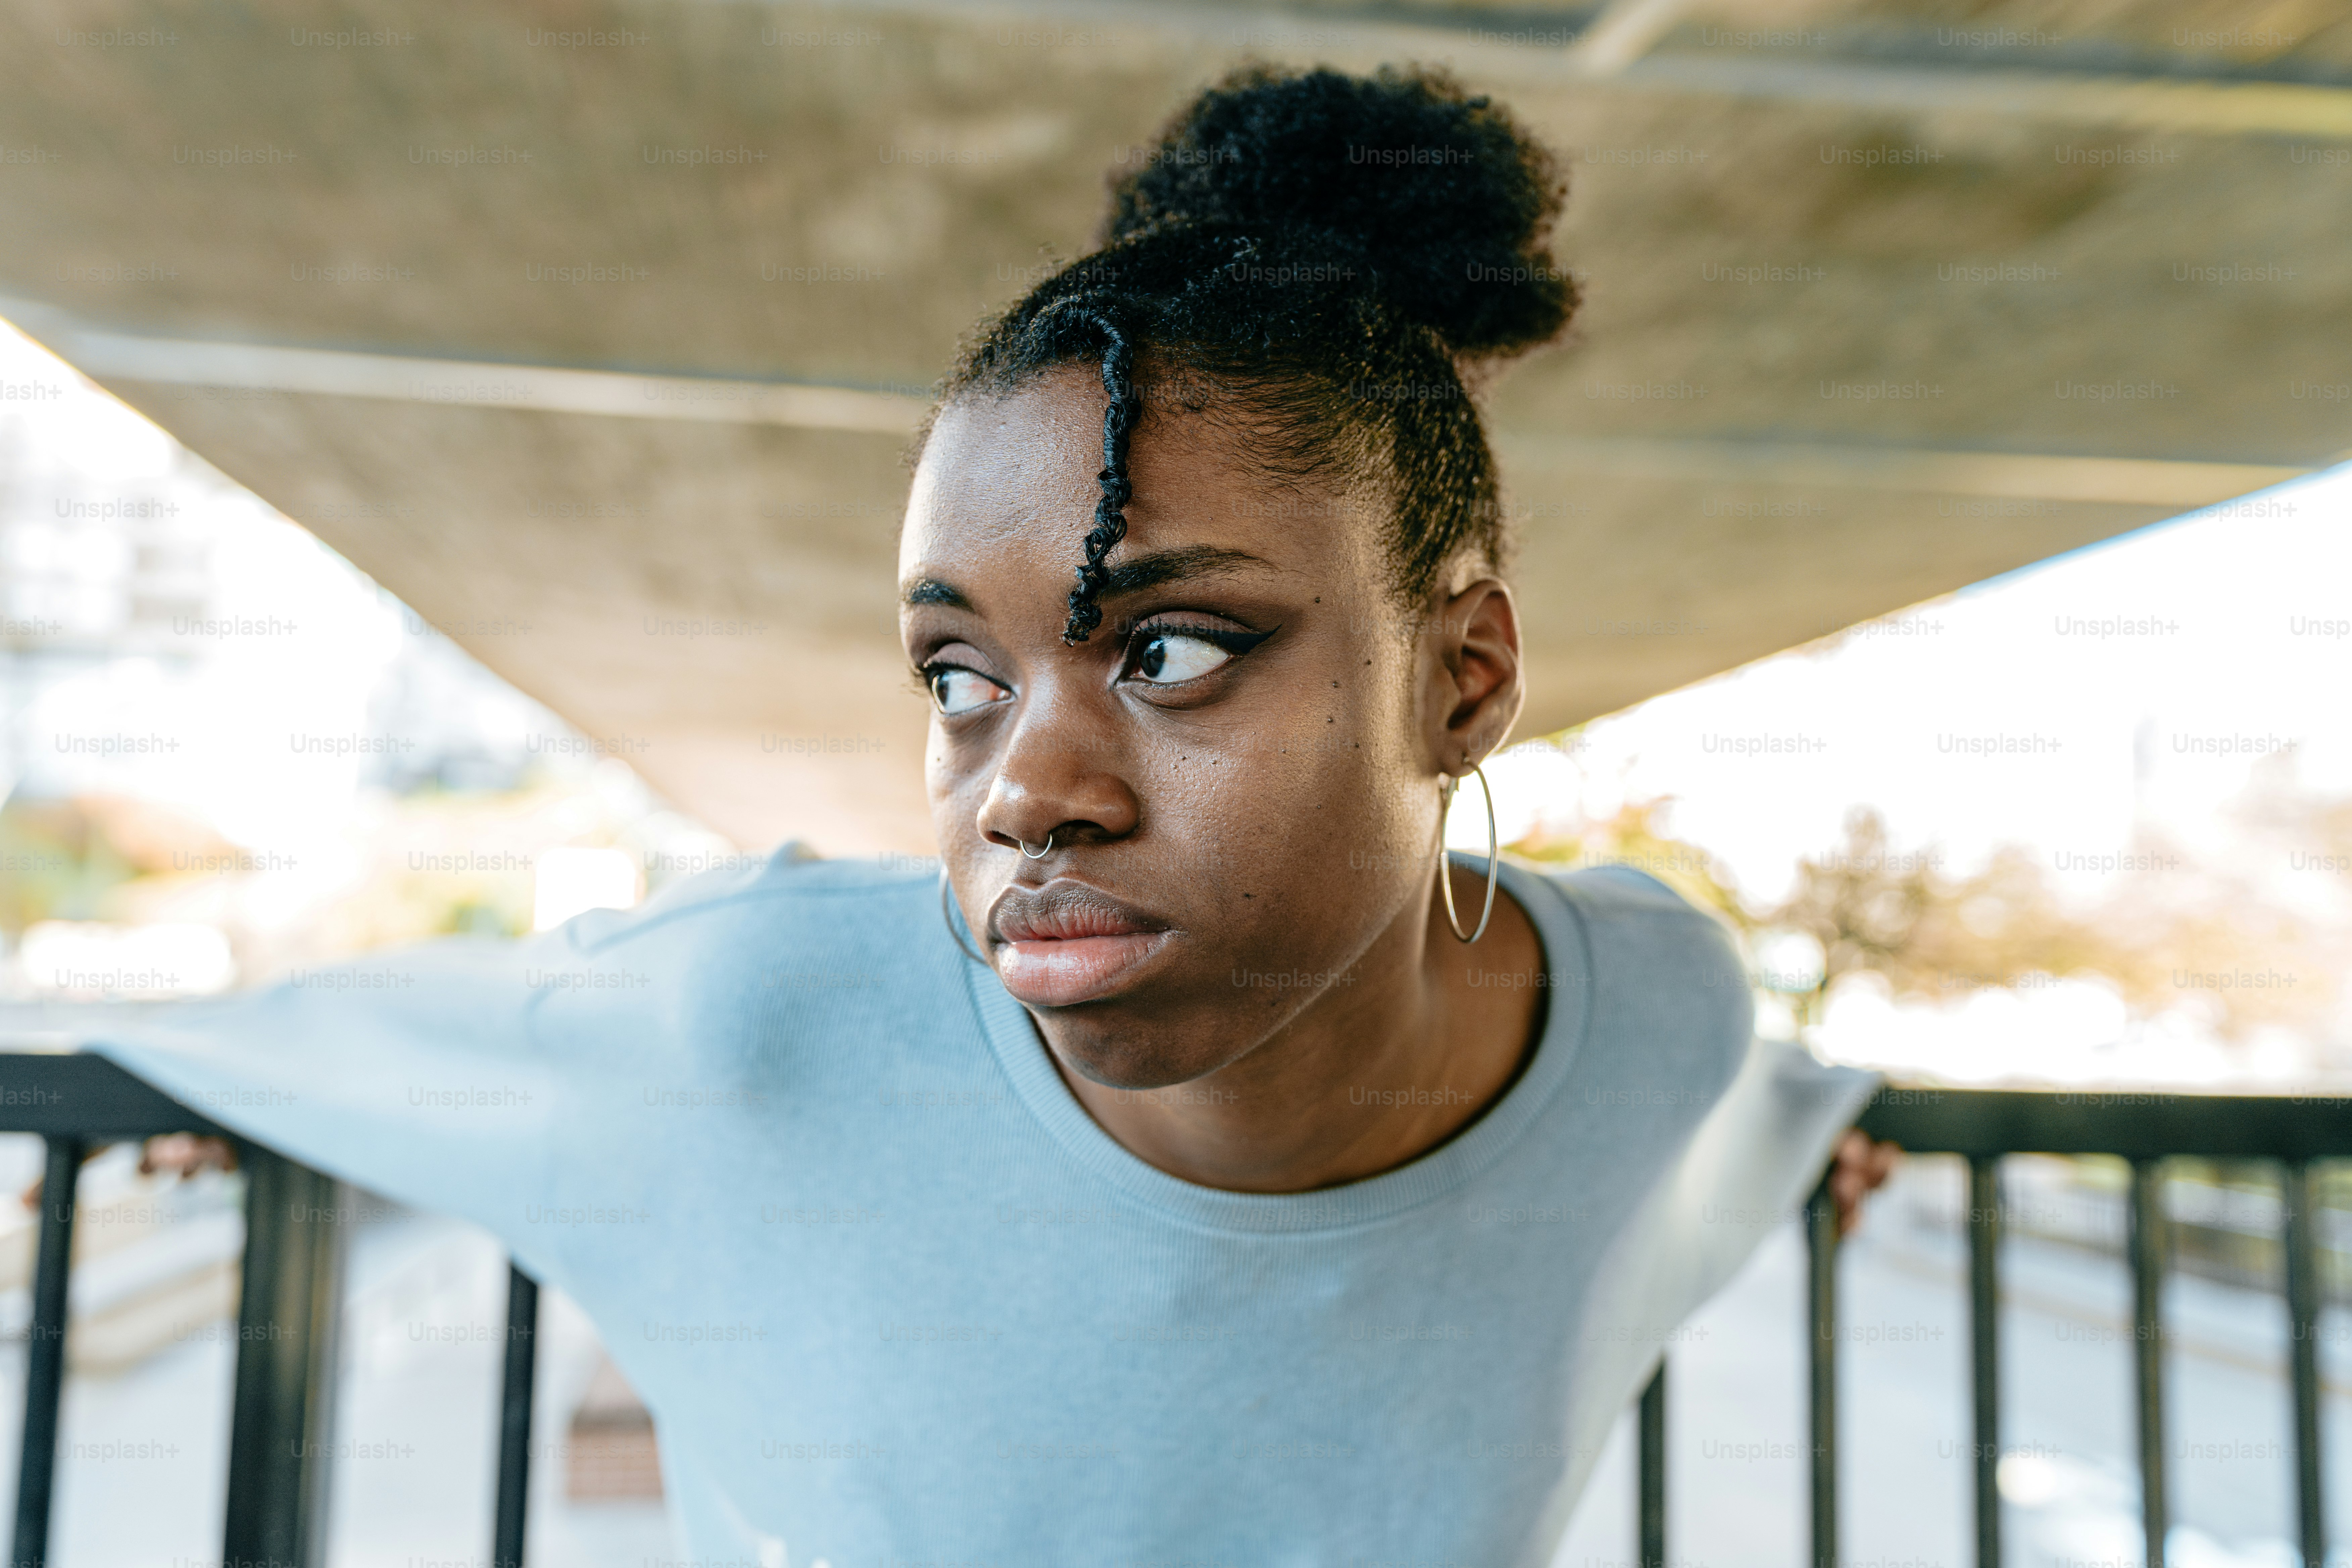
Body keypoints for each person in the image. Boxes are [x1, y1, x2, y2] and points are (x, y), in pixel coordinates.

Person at [78, 64, 1895, 1566]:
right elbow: (301, 1050)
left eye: (1177, 647)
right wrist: (211, 1103)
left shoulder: (1660, 1015)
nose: (1025, 786)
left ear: (1468, 679)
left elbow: (1750, 1106)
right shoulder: (764, 1017)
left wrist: (1825, 1150)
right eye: (961, 676)